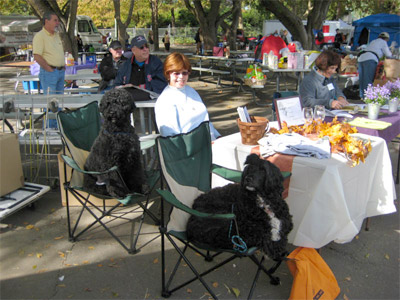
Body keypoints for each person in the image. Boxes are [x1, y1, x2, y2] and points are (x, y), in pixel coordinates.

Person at [155, 52, 220, 141]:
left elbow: (205, 119)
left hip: (209, 142)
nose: (181, 77)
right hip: (189, 149)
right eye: (176, 73)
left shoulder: (192, 92)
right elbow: (171, 137)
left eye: (184, 73)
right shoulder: (165, 100)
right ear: (168, 74)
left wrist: (217, 136)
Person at [114, 35, 167, 100]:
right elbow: (116, 84)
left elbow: (161, 84)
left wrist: (140, 87)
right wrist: (124, 87)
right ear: (133, 50)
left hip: (151, 102)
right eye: (141, 47)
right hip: (129, 102)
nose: (145, 49)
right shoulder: (125, 65)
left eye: (146, 46)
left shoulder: (156, 63)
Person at [33, 11, 65, 95]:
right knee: (50, 102)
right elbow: (37, 56)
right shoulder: (40, 36)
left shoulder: (57, 35)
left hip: (60, 71)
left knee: (60, 101)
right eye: (55, 20)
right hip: (49, 73)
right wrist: (49, 69)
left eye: (58, 21)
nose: (57, 23)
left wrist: (62, 66)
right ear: (47, 21)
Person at [358, 32, 393, 99]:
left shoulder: (373, 41)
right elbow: (388, 54)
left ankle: (362, 96)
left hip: (361, 58)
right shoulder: (383, 42)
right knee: (368, 79)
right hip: (370, 59)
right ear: (386, 39)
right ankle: (368, 97)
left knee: (362, 78)